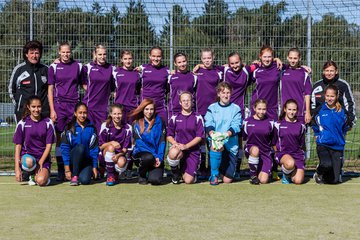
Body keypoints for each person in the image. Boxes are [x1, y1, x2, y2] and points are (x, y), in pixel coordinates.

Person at [48, 42, 83, 181]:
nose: (66, 54)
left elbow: (85, 84)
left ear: (71, 52)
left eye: (68, 52)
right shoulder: (54, 67)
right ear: (59, 52)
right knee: (59, 139)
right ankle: (61, 169)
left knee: (74, 137)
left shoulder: (78, 66)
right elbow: (50, 89)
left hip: (73, 106)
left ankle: (74, 168)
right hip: (59, 106)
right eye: (63, 52)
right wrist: (52, 110)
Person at [204, 82, 242, 185]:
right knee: (216, 145)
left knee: (227, 180)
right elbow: (208, 123)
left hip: (230, 145)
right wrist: (213, 135)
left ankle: (219, 167)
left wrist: (225, 135)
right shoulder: (212, 107)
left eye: (228, 92)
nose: (226, 95)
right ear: (218, 94)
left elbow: (236, 126)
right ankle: (214, 174)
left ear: (231, 93)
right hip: (216, 142)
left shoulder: (236, 109)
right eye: (223, 92)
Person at [13, 96, 55, 186]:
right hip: (28, 158)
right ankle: (31, 173)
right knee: (29, 161)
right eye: (33, 107)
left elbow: (49, 146)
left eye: (39, 106)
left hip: (43, 159)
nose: (36, 109)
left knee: (41, 181)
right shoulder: (22, 123)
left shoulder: (48, 122)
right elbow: (18, 146)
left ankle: (42, 175)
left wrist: (41, 162)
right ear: (28, 107)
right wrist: (17, 169)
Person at [312, 85, 349, 184]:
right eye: (327, 96)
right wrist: (316, 133)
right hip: (323, 144)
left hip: (338, 146)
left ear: (336, 96)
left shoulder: (342, 112)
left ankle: (329, 174)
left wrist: (341, 136)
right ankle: (318, 172)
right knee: (326, 164)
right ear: (325, 96)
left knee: (334, 180)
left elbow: (346, 126)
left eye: (332, 96)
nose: (329, 98)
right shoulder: (320, 110)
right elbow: (314, 122)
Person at [167, 92, 204, 184]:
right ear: (180, 102)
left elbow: (199, 137)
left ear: (192, 102)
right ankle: (175, 173)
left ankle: (185, 172)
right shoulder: (175, 117)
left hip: (193, 152)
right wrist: (175, 144)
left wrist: (186, 146)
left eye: (188, 100)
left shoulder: (198, 117)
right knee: (173, 152)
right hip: (179, 149)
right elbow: (169, 135)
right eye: (183, 100)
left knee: (188, 180)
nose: (186, 103)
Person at [9, 40, 50, 123]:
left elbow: (52, 89)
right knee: (24, 136)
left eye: (37, 53)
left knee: (43, 135)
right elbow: (11, 90)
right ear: (26, 54)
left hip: (43, 111)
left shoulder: (46, 70)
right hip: (23, 112)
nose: (34, 56)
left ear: (40, 54)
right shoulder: (19, 70)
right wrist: (20, 104)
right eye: (31, 53)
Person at [60, 102, 99, 186]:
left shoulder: (92, 128)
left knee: (85, 181)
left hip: (86, 160)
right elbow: (64, 148)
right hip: (72, 161)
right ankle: (74, 176)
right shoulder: (69, 127)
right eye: (80, 113)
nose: (82, 115)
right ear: (75, 113)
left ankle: (79, 174)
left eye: (84, 113)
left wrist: (94, 167)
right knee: (80, 147)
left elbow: (94, 149)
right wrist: (67, 169)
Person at [129, 98, 166, 185]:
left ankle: (150, 172)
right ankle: (142, 174)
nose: (149, 112)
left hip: (156, 157)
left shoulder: (160, 122)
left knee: (156, 180)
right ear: (142, 110)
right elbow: (140, 144)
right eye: (146, 109)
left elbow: (162, 142)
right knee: (148, 158)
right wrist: (154, 156)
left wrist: (159, 158)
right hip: (142, 154)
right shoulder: (136, 123)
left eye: (151, 109)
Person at [311, 60, 356, 128]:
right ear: (323, 71)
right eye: (327, 70)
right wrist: (313, 122)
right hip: (321, 126)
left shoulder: (343, 85)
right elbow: (312, 105)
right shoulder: (317, 86)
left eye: (331, 71)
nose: (329, 73)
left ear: (336, 71)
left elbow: (349, 104)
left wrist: (350, 122)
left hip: (339, 124)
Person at [82, 44, 115, 133]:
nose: (102, 57)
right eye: (100, 54)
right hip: (89, 106)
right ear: (95, 55)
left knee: (101, 134)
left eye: (104, 54)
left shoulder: (112, 68)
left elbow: (113, 87)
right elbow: (83, 83)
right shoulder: (87, 67)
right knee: (88, 134)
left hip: (103, 108)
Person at [243, 99, 275, 184]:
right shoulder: (247, 122)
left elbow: (273, 141)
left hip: (265, 152)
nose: (261, 111)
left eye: (264, 109)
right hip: (252, 150)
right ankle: (253, 176)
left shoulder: (271, 122)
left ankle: (263, 170)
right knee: (255, 150)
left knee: (263, 180)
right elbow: (244, 138)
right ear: (254, 108)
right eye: (259, 109)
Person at [274, 99, 306, 184]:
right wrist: (276, 153)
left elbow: (302, 143)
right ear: (285, 109)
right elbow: (273, 142)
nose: (291, 112)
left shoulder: (301, 126)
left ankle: (291, 172)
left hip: (297, 155)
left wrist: (304, 156)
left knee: (298, 181)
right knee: (290, 163)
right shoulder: (278, 124)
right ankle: (286, 173)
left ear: (297, 110)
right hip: (283, 154)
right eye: (289, 109)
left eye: (294, 110)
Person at [99, 104, 132, 186]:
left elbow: (125, 149)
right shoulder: (105, 126)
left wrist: (118, 156)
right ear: (110, 114)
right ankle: (110, 176)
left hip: (119, 154)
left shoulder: (128, 128)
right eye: (114, 114)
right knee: (110, 147)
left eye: (119, 114)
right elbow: (100, 147)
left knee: (122, 163)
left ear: (123, 114)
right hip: (105, 154)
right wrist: (111, 143)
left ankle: (115, 174)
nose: (117, 116)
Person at [280, 48, 312, 124]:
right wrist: (276, 58)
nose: (292, 60)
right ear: (287, 57)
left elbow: (307, 94)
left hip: (299, 112)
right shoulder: (282, 71)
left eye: (295, 58)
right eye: (290, 58)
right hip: (285, 111)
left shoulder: (304, 73)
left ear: (299, 58)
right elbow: (271, 61)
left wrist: (307, 112)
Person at [140, 46, 170, 123]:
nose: (156, 59)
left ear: (162, 57)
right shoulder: (143, 68)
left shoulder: (167, 70)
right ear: (149, 56)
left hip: (160, 107)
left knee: (163, 131)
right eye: (153, 56)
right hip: (145, 107)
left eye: (158, 56)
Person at [113, 50, 141, 124]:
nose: (128, 61)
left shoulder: (138, 74)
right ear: (121, 60)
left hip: (133, 106)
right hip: (120, 106)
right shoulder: (115, 72)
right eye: (125, 59)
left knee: (131, 130)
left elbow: (139, 90)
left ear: (133, 59)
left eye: (130, 58)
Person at [168, 52, 197, 116]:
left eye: (184, 61)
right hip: (174, 110)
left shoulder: (194, 76)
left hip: (189, 110)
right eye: (179, 62)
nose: (182, 64)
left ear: (187, 61)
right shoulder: (170, 76)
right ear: (175, 63)